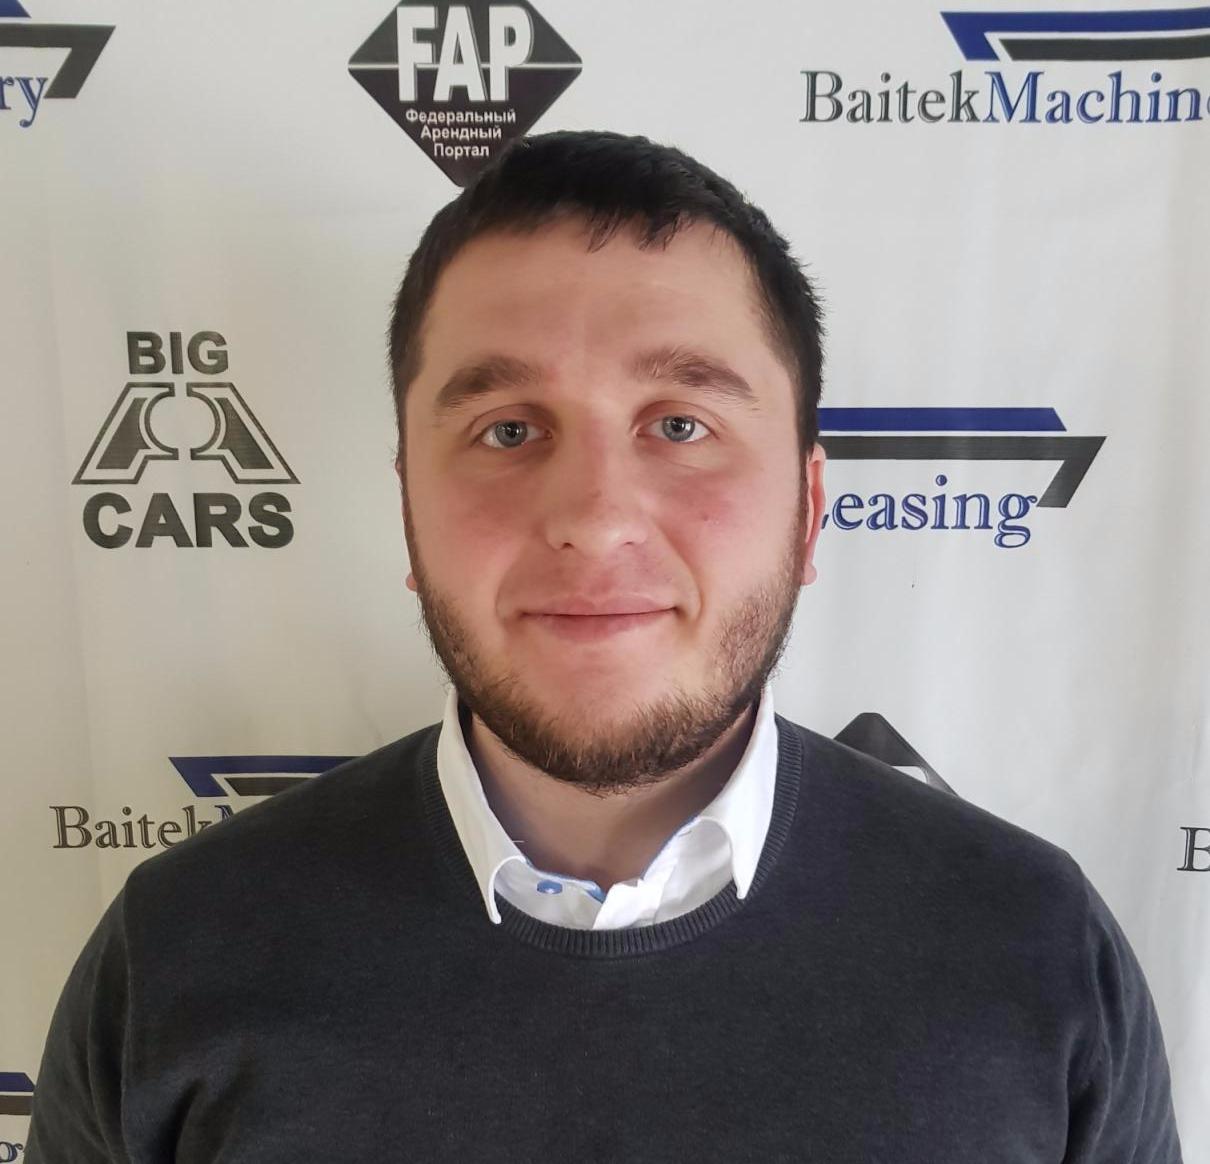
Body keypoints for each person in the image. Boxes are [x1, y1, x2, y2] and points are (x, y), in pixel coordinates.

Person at [26, 131, 1182, 1162]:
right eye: (506, 430)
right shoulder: (178, 952)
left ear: (809, 507)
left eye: (680, 423)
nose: (593, 515)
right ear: (409, 507)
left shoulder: (1034, 945)